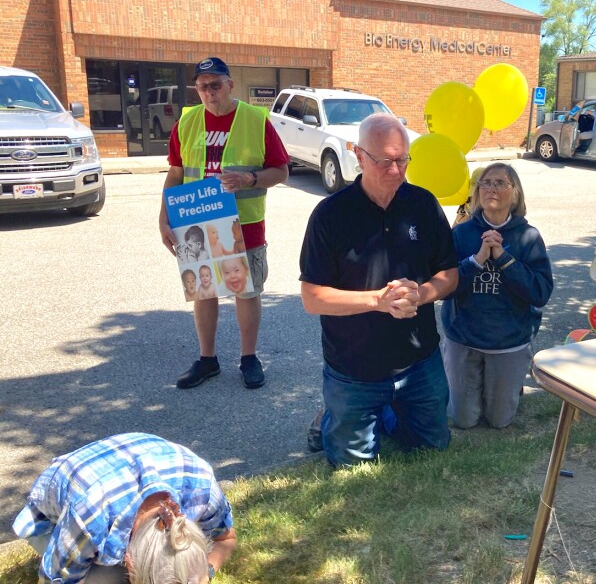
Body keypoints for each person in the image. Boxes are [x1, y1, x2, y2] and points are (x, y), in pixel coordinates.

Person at [299, 113, 458, 467]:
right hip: (353, 367)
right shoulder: (330, 214)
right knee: (351, 466)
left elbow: (450, 275)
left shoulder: (422, 204)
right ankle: (333, 418)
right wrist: (377, 301)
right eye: (385, 161)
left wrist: (423, 293)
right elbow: (312, 298)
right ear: (358, 155)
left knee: (434, 448)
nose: (397, 170)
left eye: (403, 159)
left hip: (418, 362)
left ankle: (383, 412)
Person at [159, 56, 289, 390]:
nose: (209, 93)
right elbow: (175, 174)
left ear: (230, 84)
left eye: (216, 85)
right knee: (204, 292)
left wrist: (248, 178)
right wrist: (163, 218)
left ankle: (249, 358)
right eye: (202, 87)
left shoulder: (254, 120)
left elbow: (281, 171)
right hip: (196, 224)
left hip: (243, 226)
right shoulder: (186, 124)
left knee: (246, 292)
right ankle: (207, 360)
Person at [13, 433, 236, 584]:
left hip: (134, 460)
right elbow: (54, 580)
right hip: (54, 508)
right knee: (108, 580)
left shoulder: (201, 485)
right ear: (128, 562)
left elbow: (225, 539)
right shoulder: (90, 517)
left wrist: (206, 572)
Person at [441, 163, 553, 429]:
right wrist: (477, 259)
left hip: (508, 342)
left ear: (515, 193)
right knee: (464, 420)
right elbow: (444, 286)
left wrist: (503, 259)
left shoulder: (529, 236)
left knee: (499, 421)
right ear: (478, 192)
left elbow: (540, 292)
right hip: (464, 339)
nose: (492, 188)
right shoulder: (461, 233)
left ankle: (506, 386)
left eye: (501, 183)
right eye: (486, 183)